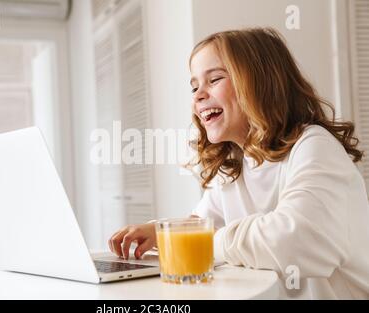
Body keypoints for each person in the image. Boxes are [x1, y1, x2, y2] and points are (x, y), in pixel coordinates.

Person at [108, 28, 369, 299]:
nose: (198, 96)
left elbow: (296, 240)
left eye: (215, 79)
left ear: (262, 83)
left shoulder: (314, 146)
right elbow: (203, 223)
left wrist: (209, 242)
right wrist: (161, 232)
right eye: (195, 86)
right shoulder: (234, 165)